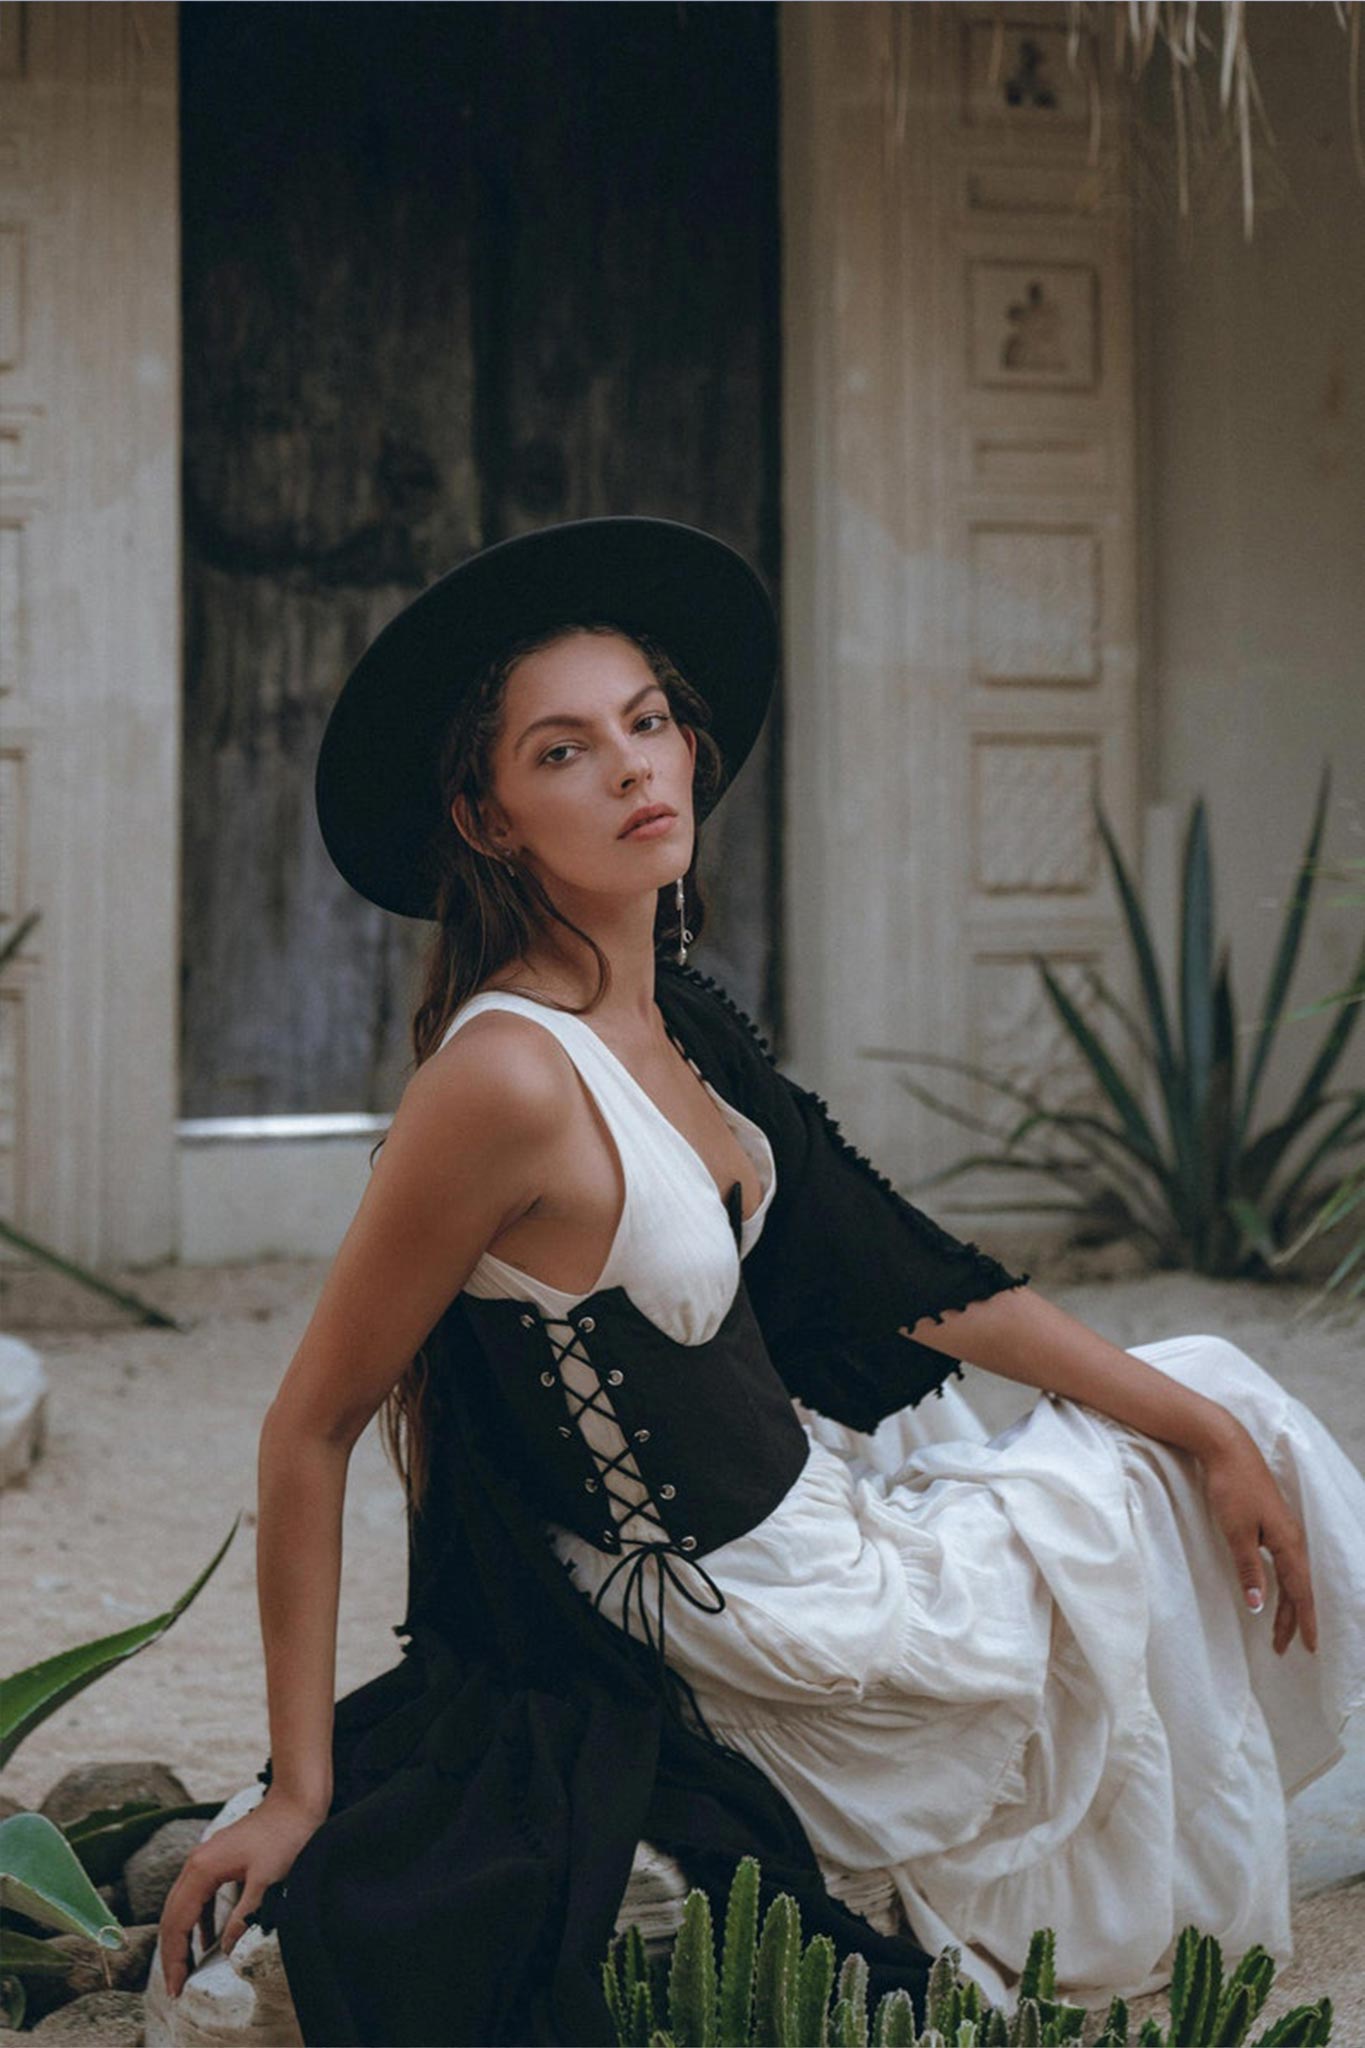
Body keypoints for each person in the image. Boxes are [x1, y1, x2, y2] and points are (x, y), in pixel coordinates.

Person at [158, 517, 1365, 2045]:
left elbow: (897, 1275)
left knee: (1218, 1404)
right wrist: (298, 1785)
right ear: (484, 815)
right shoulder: (507, 1078)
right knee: (1185, 1478)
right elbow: (310, 1423)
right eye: (564, 751)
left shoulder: (676, 1020)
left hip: (834, 1531)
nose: (633, 771)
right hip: (754, 1633)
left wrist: (1198, 1431)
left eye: (646, 724)